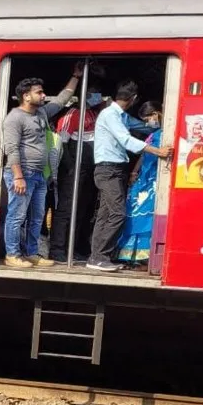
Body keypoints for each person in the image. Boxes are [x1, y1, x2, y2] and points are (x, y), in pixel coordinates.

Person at [1, 64, 83, 268]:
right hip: (22, 175)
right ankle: (12, 254)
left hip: (38, 175)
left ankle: (30, 253)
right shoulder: (14, 118)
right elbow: (11, 149)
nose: (43, 95)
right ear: (26, 96)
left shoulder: (42, 114)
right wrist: (18, 176)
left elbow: (63, 98)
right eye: (39, 92)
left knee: (37, 217)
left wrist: (75, 76)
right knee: (17, 216)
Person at [88, 82, 172, 272]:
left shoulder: (121, 116)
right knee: (118, 213)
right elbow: (126, 139)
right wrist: (157, 151)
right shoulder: (110, 115)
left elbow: (144, 128)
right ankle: (99, 256)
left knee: (105, 214)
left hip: (115, 170)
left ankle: (97, 257)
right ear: (133, 99)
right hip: (108, 170)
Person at [48, 88, 107, 262]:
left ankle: (72, 248)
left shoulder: (93, 114)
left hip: (89, 170)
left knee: (82, 210)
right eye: (94, 92)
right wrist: (70, 166)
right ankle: (57, 249)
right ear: (85, 95)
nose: (98, 97)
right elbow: (61, 144)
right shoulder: (73, 114)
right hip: (73, 169)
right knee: (66, 209)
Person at [117, 102, 164, 266]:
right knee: (134, 209)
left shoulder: (169, 133)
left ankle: (146, 255)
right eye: (144, 120)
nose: (148, 122)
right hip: (143, 178)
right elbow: (144, 154)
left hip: (157, 179)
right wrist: (134, 172)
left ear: (158, 113)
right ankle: (130, 254)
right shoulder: (153, 134)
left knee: (149, 213)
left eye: (149, 118)